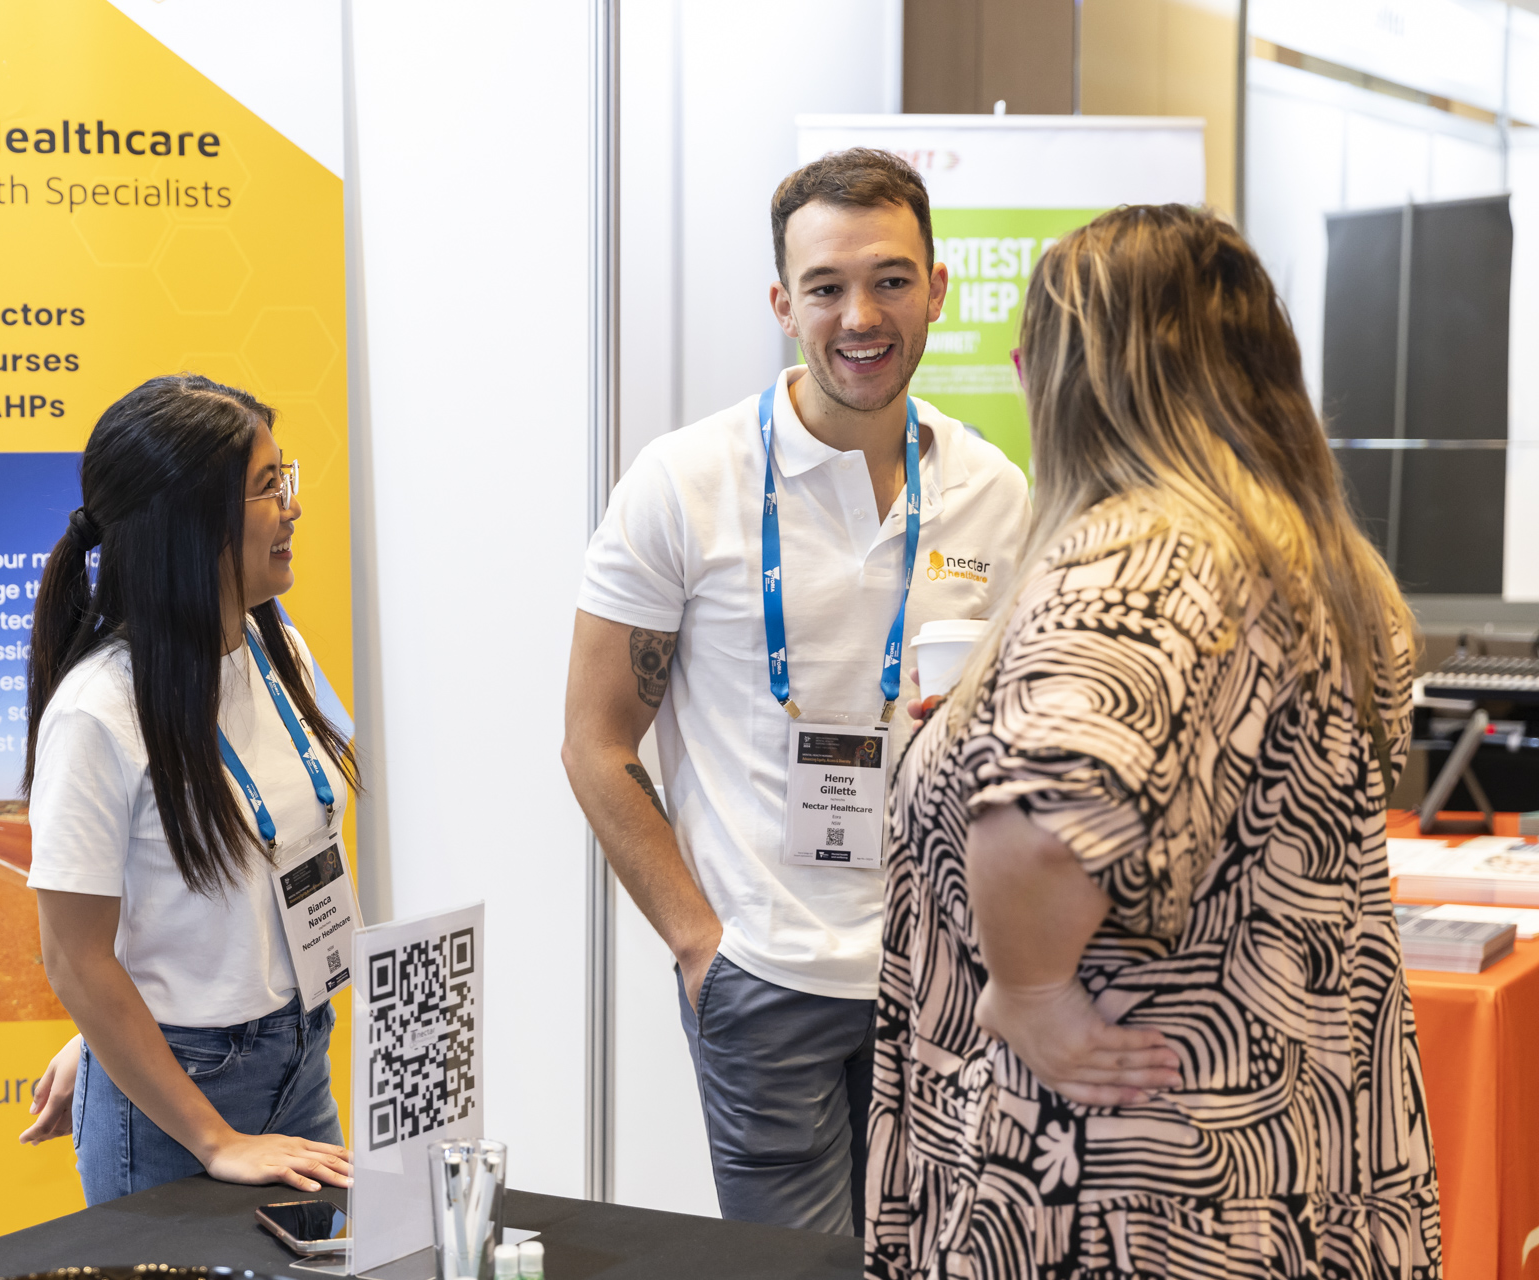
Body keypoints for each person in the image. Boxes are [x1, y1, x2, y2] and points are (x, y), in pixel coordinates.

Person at [870, 205, 1440, 1277]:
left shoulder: (1141, 555)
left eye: (1032, 340)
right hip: (1273, 1167)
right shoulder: (1305, 555)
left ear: (1090, 370)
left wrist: (1029, 989)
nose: (1013, 362)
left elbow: (1047, 810)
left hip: (1113, 1190)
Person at [563, 148, 1031, 1235]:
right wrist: (698, 942)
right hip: (762, 974)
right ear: (783, 303)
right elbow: (596, 741)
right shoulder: (682, 483)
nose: (859, 314)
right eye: (826, 286)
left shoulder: (993, 493)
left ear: (939, 289)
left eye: (890, 279)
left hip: (939, 980)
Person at [13, 374, 359, 1205]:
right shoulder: (98, 713)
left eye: (286, 477)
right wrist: (212, 1137)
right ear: (188, 525)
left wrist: (101, 1041)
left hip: (300, 1059)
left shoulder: (277, 648)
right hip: (183, 1113)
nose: (293, 507)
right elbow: (73, 954)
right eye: (268, 486)